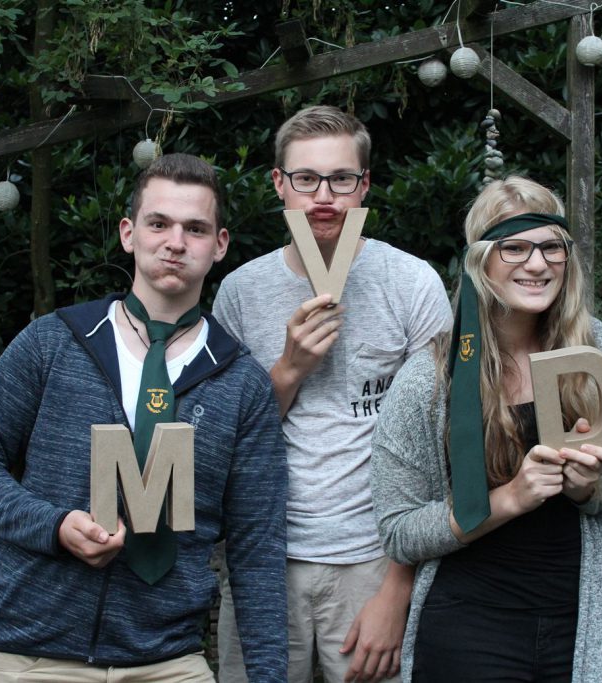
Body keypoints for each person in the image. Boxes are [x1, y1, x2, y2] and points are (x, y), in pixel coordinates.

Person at [0, 153, 288, 682]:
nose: (176, 241)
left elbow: (257, 547)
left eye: (195, 228)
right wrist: (53, 525)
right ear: (129, 233)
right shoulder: (53, 343)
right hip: (33, 658)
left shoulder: (241, 383)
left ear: (219, 244)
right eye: (159, 223)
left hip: (169, 661)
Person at [212, 105, 453, 683]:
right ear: (279, 184)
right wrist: (289, 369)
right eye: (306, 179)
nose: (324, 195)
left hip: (376, 559)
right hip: (265, 558)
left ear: (363, 186)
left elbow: (443, 444)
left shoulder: (412, 283)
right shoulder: (240, 292)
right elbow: (223, 442)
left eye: (342, 179)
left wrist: (399, 585)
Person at [370, 176, 602, 682]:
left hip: (580, 627)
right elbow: (399, 532)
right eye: (514, 247)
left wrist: (590, 488)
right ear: (480, 261)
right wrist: (510, 499)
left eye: (551, 248)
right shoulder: (430, 379)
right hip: (471, 630)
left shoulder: (598, 353)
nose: (537, 265)